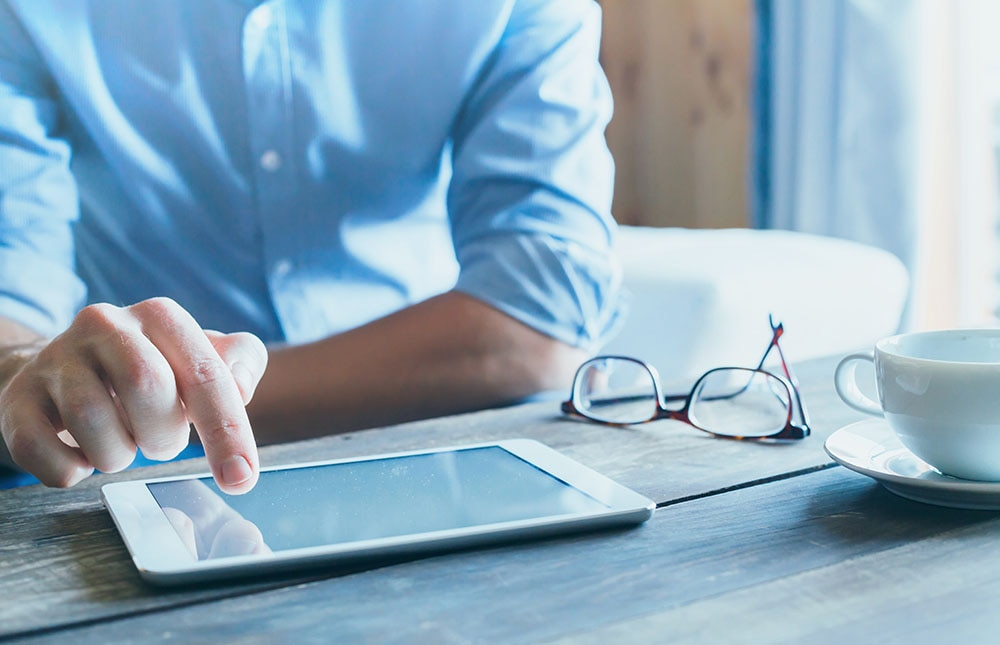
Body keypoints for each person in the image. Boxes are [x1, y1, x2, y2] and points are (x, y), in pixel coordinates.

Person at [0, 0, 622, 493]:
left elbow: (537, 324)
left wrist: (180, 398)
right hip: (127, 478)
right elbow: (12, 285)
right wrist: (34, 376)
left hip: (438, 451)